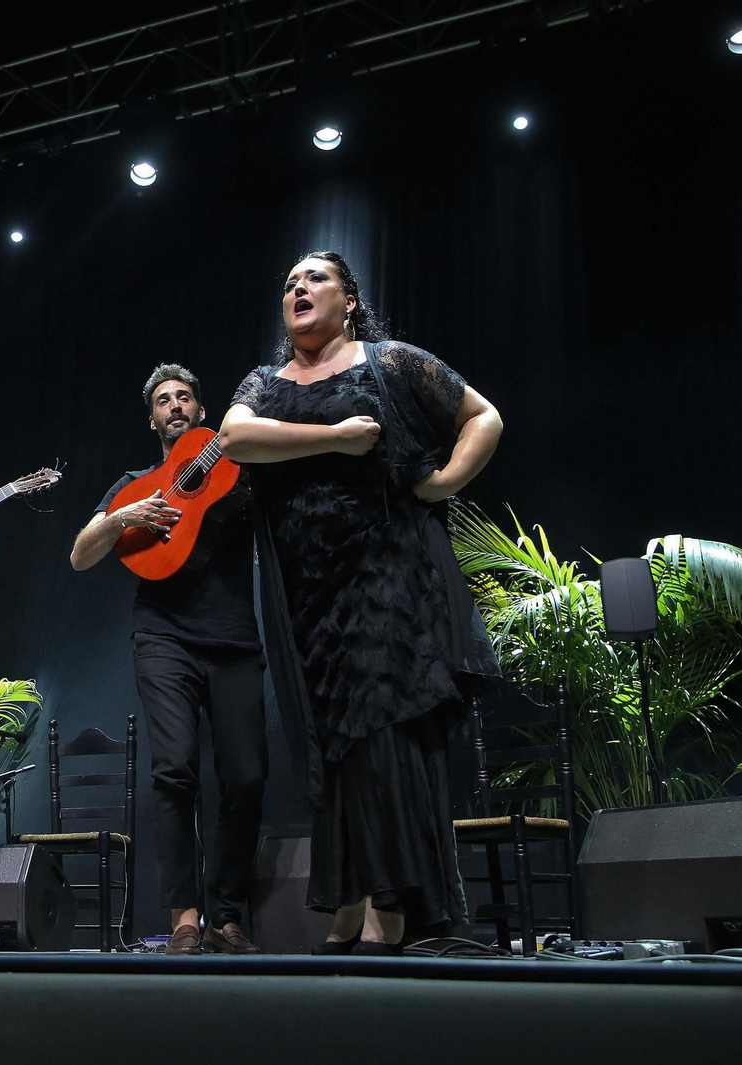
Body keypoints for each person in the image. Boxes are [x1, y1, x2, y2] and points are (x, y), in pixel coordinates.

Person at [218, 250, 503, 955]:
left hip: (388, 573)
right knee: (333, 739)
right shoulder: (264, 382)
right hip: (308, 593)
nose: (298, 288)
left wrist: (443, 483)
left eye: (315, 278)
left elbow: (483, 417)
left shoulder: (391, 362)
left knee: (382, 725)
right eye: (290, 282)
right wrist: (338, 439)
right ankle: (350, 898)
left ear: (349, 300)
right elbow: (234, 437)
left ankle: (391, 904)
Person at [71, 365, 268, 956]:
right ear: (152, 419)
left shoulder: (236, 468)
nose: (175, 405)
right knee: (174, 770)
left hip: (233, 635)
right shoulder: (135, 483)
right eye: (163, 400)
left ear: (202, 413)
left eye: (184, 397)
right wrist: (122, 518)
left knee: (247, 775)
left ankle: (226, 913)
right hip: (163, 635)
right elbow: (80, 555)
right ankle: (184, 916)